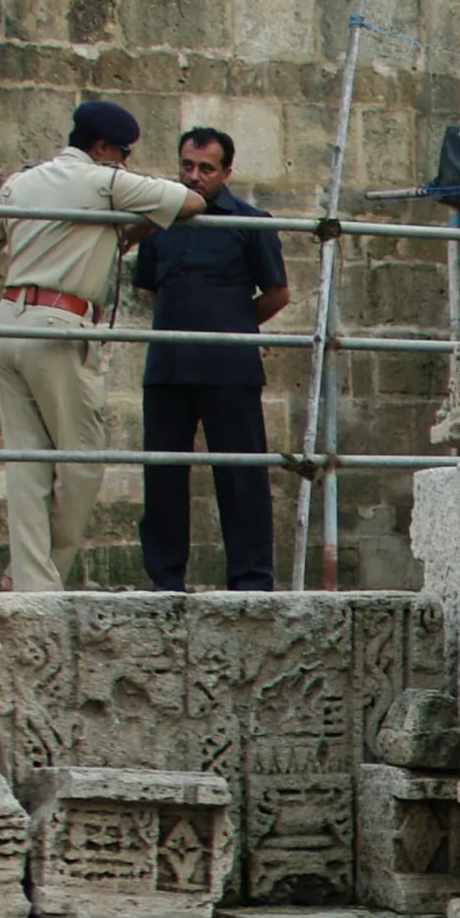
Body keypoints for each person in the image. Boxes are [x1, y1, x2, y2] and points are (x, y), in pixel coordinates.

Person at [0, 98, 197, 589]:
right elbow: (189, 201)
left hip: (13, 323)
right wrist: (137, 219)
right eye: (123, 152)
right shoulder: (101, 181)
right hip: (59, 326)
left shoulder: (24, 181)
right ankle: (45, 573)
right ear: (103, 147)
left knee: (28, 465)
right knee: (84, 459)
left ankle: (29, 584)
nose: (125, 162)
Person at [131, 126, 289, 592]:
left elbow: (277, 292)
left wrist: (235, 326)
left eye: (205, 168)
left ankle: (251, 581)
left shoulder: (248, 220)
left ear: (226, 172)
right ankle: (165, 579)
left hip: (229, 366)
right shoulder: (160, 223)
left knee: (241, 474)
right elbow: (150, 286)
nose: (194, 176)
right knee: (162, 474)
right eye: (187, 165)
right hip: (168, 364)